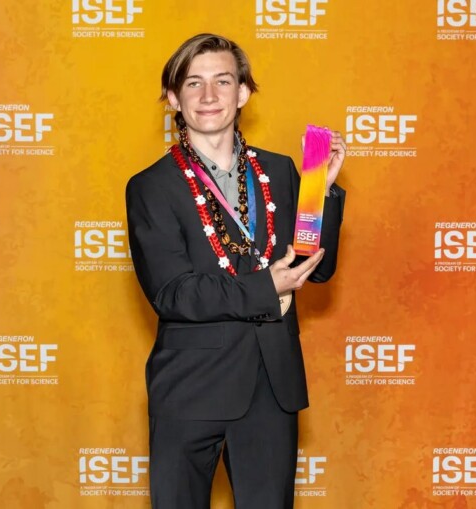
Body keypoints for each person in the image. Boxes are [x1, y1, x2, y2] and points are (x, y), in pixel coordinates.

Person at [125, 33, 346, 509]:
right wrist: (267, 285)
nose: (209, 96)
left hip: (271, 384)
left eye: (222, 81)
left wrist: (318, 192)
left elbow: (314, 270)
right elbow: (174, 293)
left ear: (243, 92)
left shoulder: (281, 171)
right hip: (190, 385)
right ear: (173, 98)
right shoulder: (151, 186)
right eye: (193, 83)